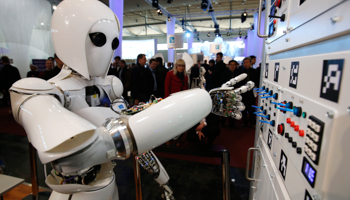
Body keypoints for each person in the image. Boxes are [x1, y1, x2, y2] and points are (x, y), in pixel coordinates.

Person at [220, 60, 241, 128]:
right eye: (231, 64)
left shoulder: (238, 73)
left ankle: (232, 124)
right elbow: (222, 83)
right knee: (225, 107)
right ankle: (223, 122)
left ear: (236, 65)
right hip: (226, 93)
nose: (232, 66)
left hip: (235, 93)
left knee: (234, 108)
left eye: (234, 65)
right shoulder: (224, 73)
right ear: (228, 65)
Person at [239, 57, 259, 128]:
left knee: (252, 108)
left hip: (251, 92)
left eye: (247, 62)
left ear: (250, 63)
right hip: (243, 92)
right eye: (244, 62)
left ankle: (252, 122)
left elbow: (257, 81)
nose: (246, 64)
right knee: (243, 108)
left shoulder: (255, 71)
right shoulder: (241, 72)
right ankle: (244, 122)